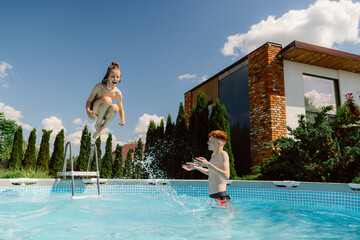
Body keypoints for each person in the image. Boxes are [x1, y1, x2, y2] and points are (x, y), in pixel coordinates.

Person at [182, 130, 231, 206]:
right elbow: (211, 172)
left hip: (221, 197)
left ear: (219, 143)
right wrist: (196, 167)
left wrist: (208, 164)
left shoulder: (223, 154)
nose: (208, 143)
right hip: (213, 197)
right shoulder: (213, 156)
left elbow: (226, 176)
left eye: (211, 141)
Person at [86, 62, 125, 139]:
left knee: (115, 107)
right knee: (108, 100)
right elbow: (89, 101)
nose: (115, 79)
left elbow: (121, 109)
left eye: (118, 77)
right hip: (95, 110)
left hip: (104, 113)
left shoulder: (118, 93)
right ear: (108, 76)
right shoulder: (99, 87)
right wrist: (88, 111)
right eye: (113, 76)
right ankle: (98, 124)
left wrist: (123, 120)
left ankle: (100, 129)